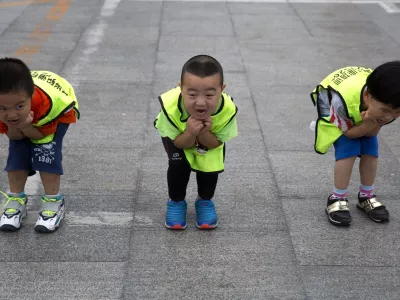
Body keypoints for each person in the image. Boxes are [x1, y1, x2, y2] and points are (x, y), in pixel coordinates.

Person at [310, 61, 400, 226]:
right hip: (335, 105)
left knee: (371, 149)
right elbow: (350, 134)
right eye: (386, 111)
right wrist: (367, 122)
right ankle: (336, 197)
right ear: (367, 97)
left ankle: (366, 195)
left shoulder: (389, 105)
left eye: (396, 113)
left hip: (366, 110)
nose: (390, 117)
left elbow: (372, 132)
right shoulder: (340, 102)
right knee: (348, 150)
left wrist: (374, 121)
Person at [154, 54, 238, 230]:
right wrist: (191, 132)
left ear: (221, 89)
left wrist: (204, 133)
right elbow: (179, 143)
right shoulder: (171, 108)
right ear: (181, 88)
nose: (201, 102)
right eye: (192, 94)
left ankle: (204, 201)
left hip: (210, 138)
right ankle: (176, 202)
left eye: (209, 94)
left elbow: (216, 144)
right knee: (178, 165)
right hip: (178, 136)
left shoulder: (227, 110)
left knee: (209, 167)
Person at [0, 57, 79, 233]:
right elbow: (14, 137)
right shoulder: (5, 105)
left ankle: (53, 201)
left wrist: (26, 126)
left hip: (54, 118)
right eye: (3, 109)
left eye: (19, 106)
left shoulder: (47, 107)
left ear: (30, 96)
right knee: (17, 154)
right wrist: (17, 125)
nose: (11, 113)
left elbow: (40, 137)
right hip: (29, 119)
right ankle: (16, 200)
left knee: (46, 153)